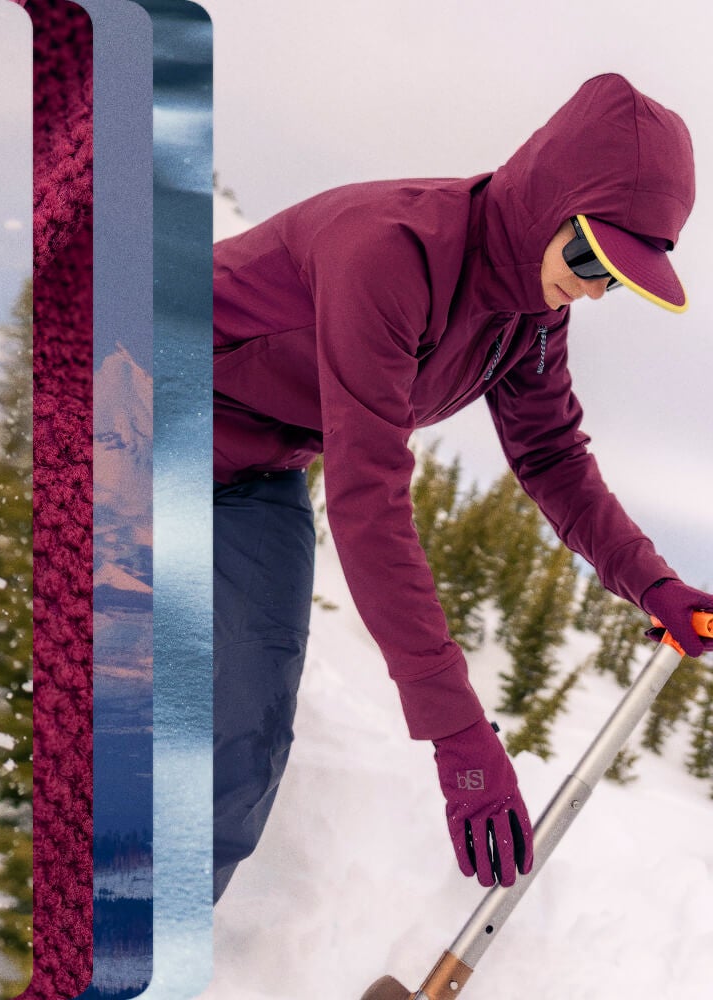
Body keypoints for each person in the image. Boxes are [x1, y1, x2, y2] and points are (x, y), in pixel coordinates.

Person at [211, 73, 713, 902]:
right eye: (590, 255)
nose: (593, 286)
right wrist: (457, 733)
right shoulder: (389, 250)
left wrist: (652, 585)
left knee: (241, 741)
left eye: (616, 276)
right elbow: (369, 500)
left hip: (259, 475)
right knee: (140, 689)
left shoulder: (534, 315)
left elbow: (553, 457)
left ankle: (142, 952)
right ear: (549, 196)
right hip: (143, 417)